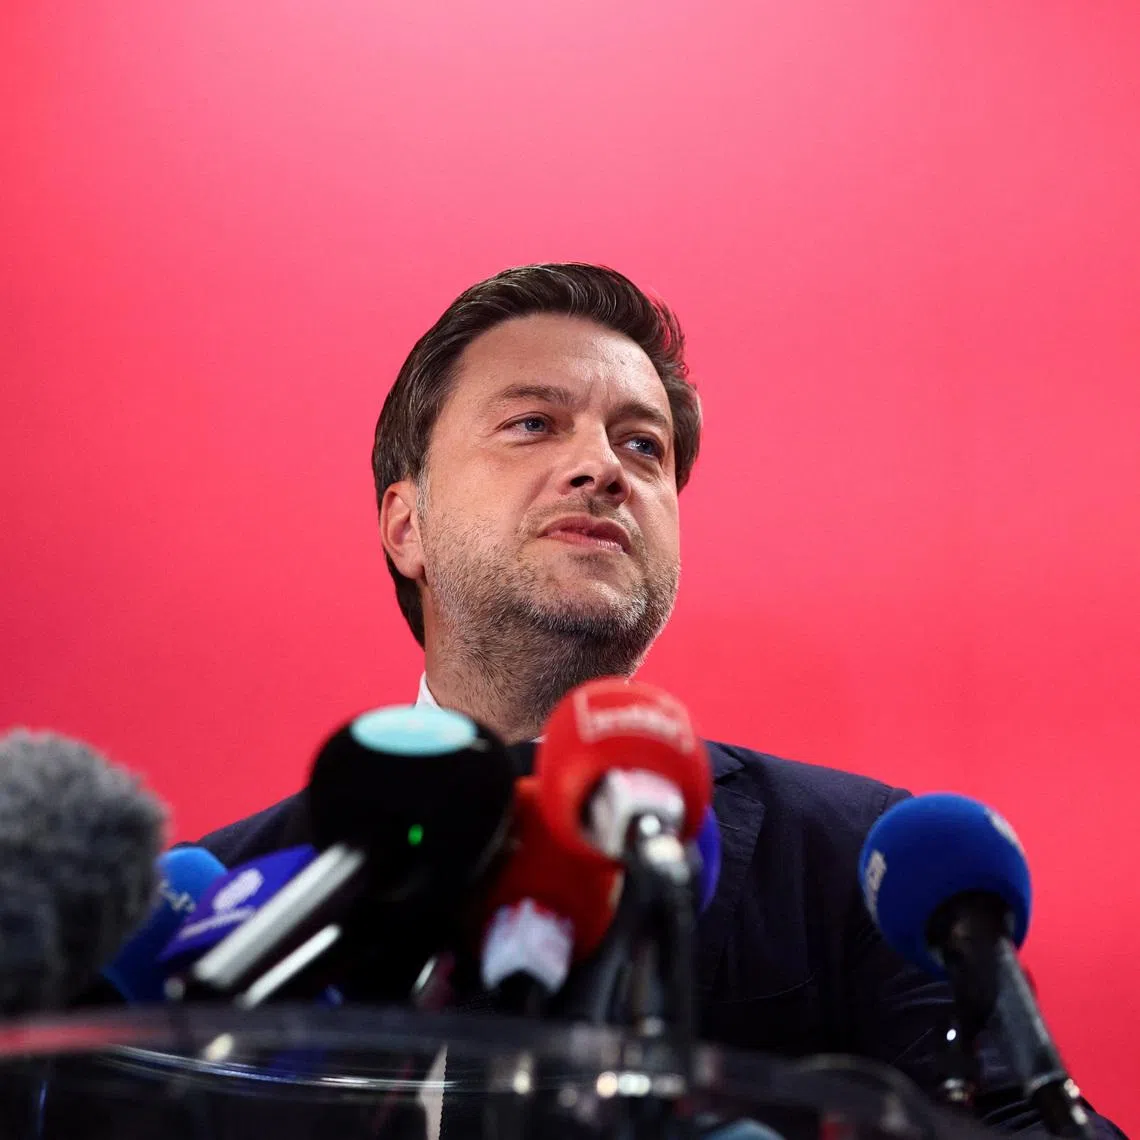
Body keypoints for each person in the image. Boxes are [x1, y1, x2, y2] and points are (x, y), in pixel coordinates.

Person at [198, 263, 1123, 1137]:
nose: (603, 467)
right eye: (533, 424)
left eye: (643, 445)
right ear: (408, 525)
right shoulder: (213, 911)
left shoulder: (853, 869)